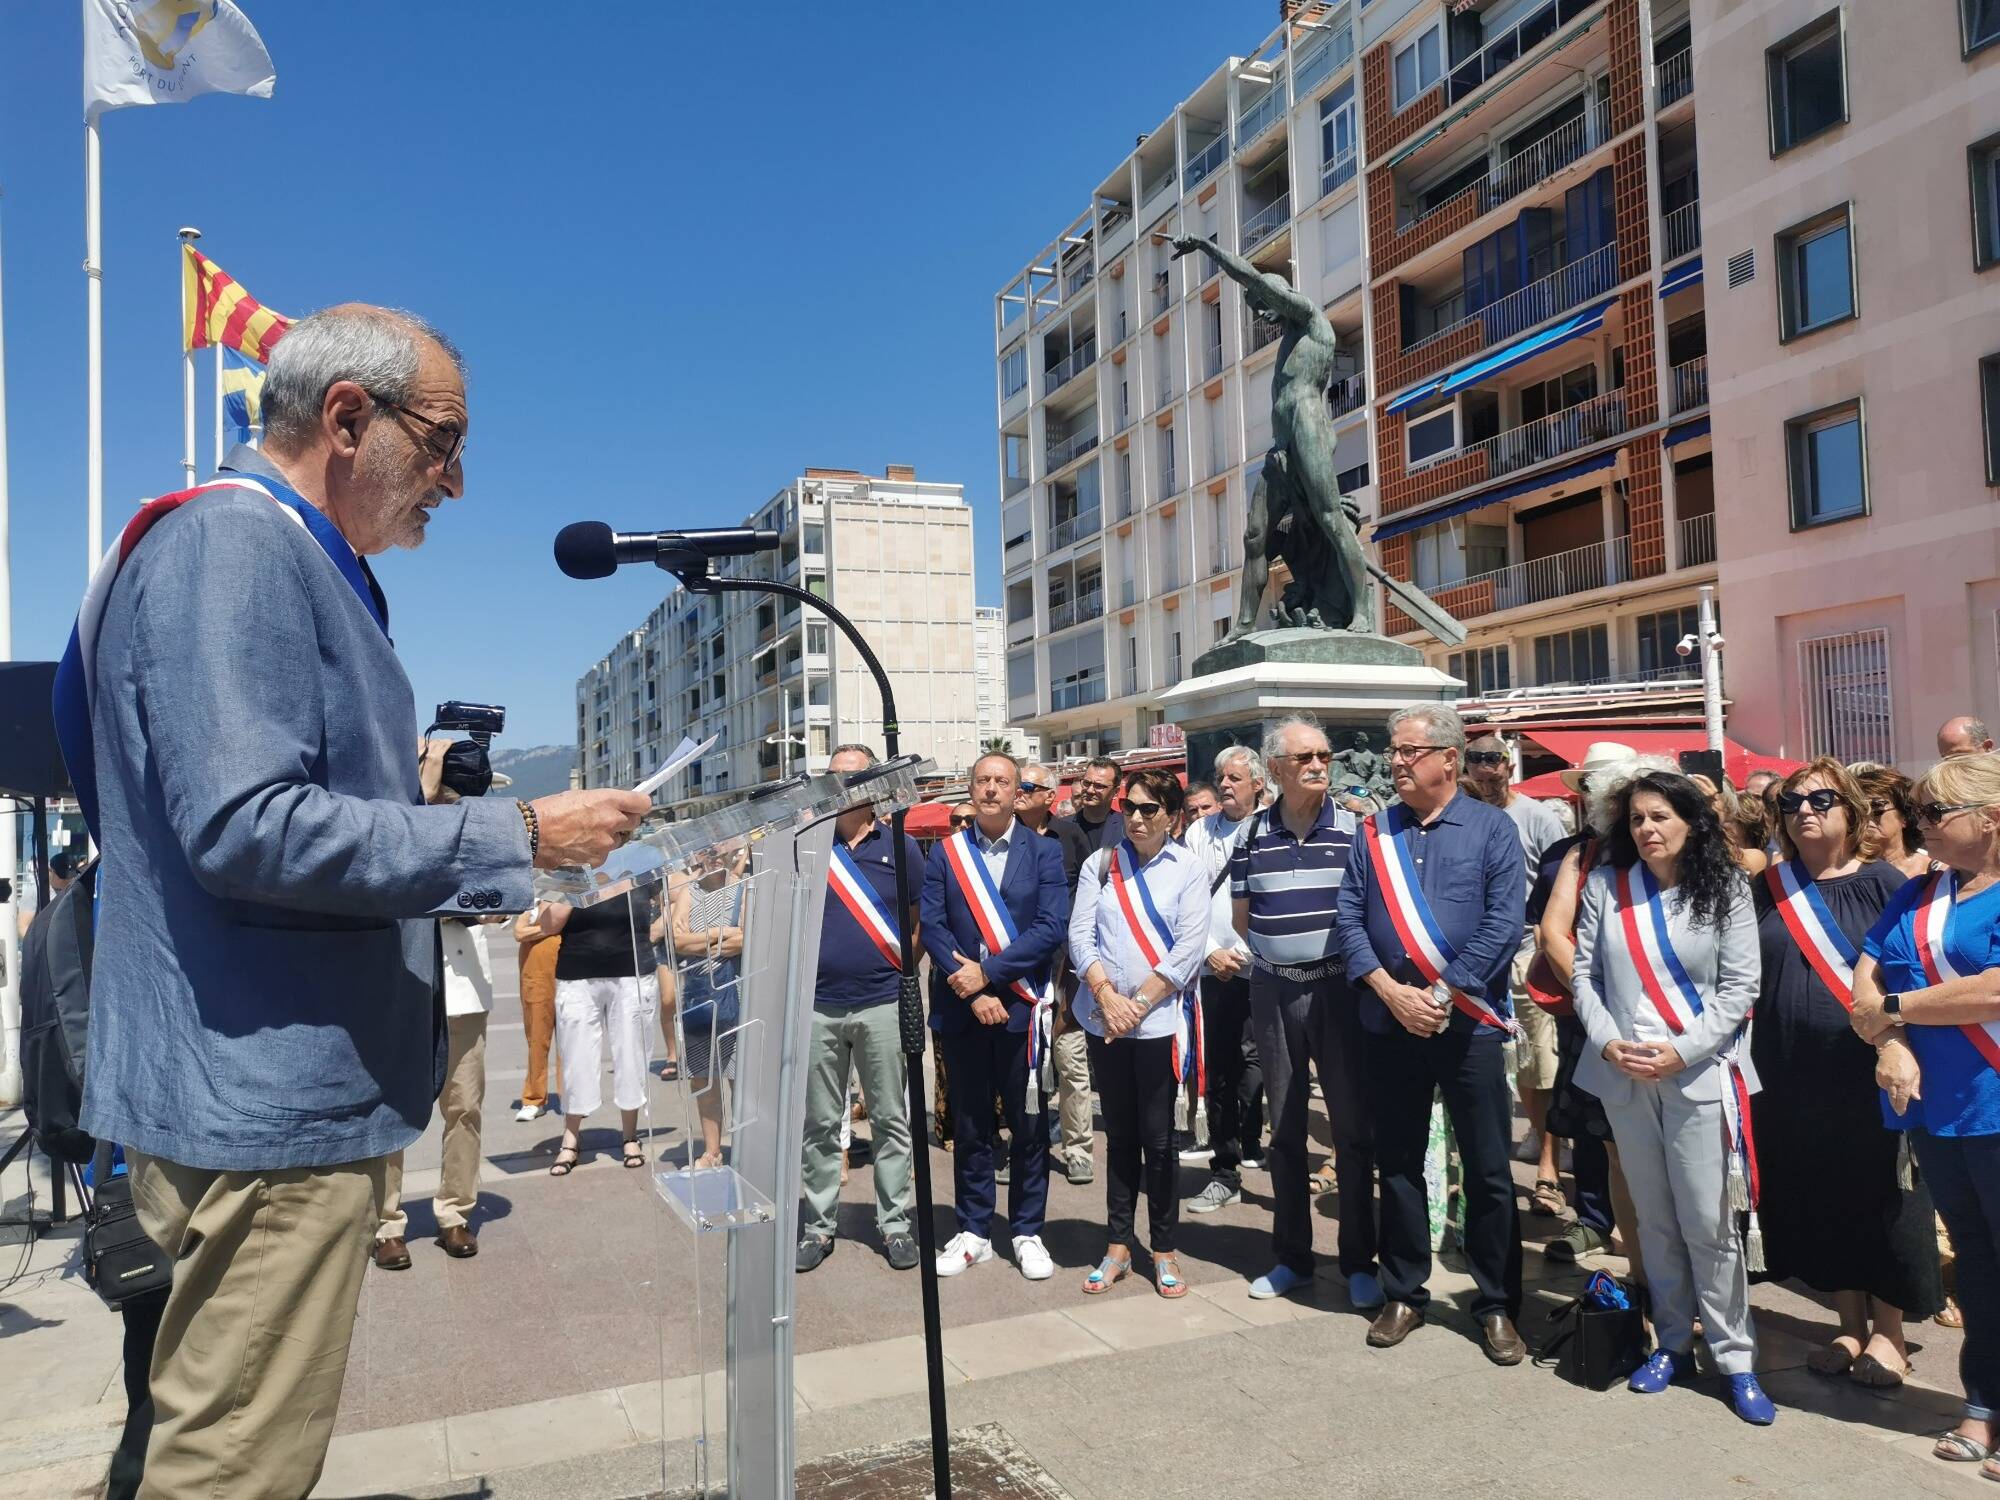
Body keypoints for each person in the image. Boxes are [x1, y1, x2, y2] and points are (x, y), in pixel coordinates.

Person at [62, 304, 647, 1495]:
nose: (456, 483)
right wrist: (519, 832)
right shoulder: (237, 547)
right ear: (345, 416)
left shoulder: (255, 551)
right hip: (263, 1116)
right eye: (441, 443)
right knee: (233, 1467)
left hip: (250, 1099)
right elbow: (245, 825)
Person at [1571, 770, 1776, 1424]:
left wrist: (1680, 1050)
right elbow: (1585, 978)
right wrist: (1608, 1045)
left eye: (1659, 816)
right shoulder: (1606, 886)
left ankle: (1735, 1357)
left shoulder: (1725, 891)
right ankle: (1670, 1342)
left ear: (1691, 820)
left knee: (1710, 1224)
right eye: (1636, 820)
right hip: (1626, 1075)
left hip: (1699, 1074)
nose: (1647, 830)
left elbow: (1741, 987)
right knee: (1654, 1221)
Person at [1336, 703, 1527, 1364]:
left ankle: (1497, 1302)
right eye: (1394, 750)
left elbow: (1504, 925)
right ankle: (1405, 1293)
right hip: (1388, 1024)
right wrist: (1391, 993)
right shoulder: (1374, 833)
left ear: (1449, 757)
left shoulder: (1492, 829)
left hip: (1466, 1024)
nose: (1395, 762)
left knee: (1490, 1170)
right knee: (1399, 1163)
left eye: (1409, 751)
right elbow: (1350, 922)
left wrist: (1441, 994)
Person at [1751, 758, 1940, 1385]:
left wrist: (1899, 1044)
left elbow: (1912, 974)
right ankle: (1849, 1325)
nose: (1806, 811)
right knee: (1818, 1191)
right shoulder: (1767, 888)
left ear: (1852, 811)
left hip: (1867, 1068)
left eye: (1822, 800)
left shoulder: (1888, 882)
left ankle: (1891, 1333)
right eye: (1792, 803)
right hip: (1787, 1069)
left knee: (1879, 1194)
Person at [1851, 751, 2000, 1475]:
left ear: (1990, 819)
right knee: (1976, 1265)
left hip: (1997, 1102)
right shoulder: (1917, 894)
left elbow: (1995, 991)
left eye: (1937, 813)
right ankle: (1984, 1404)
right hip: (1941, 1112)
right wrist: (1893, 1040)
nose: (1920, 825)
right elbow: (1866, 978)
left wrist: (1896, 1011)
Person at [1232, 715, 1377, 1304]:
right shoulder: (1250, 835)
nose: (1319, 764)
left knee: (1351, 1130)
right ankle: (1291, 1257)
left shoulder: (1358, 830)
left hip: (1340, 990)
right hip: (1273, 991)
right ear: (1275, 769)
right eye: (1305, 757)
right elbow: (1244, 918)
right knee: (1285, 1128)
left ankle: (1360, 1261)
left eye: (1324, 754)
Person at [923, 751, 1069, 1279]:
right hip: (965, 1011)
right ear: (970, 788)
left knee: (1029, 1125)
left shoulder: (1044, 853)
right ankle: (974, 1230)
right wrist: (972, 990)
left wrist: (990, 976)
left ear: (1017, 792)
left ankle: (1028, 1229)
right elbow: (935, 928)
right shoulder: (946, 854)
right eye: (982, 780)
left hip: (1022, 1009)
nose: (990, 790)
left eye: (1001, 782)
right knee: (971, 1124)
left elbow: (1053, 927)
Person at [1069, 768, 1209, 1297]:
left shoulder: (1188, 869)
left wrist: (1138, 1003)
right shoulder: (1100, 864)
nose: (1137, 816)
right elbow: (1080, 935)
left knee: (1159, 1140)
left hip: (1159, 1024)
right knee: (1120, 1137)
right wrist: (1107, 997)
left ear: (1173, 817)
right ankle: (1118, 1245)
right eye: (1131, 806)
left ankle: (1166, 1247)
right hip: (1105, 1020)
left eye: (1151, 809)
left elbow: (1188, 948)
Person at [797, 745, 922, 1274]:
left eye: (853, 777)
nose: (842, 785)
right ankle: (818, 1227)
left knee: (891, 1120)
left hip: (880, 1003)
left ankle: (894, 1224)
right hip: (818, 1005)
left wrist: (897, 974)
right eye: (834, 777)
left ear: (873, 785)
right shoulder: (805, 845)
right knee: (821, 1123)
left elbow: (917, 923)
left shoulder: (901, 845)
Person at [1534, 744, 1645, 1272]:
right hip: (1588, 1012)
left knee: (1637, 1139)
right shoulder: (1567, 854)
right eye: (1592, 788)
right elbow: (1550, 932)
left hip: (1655, 1017)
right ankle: (1596, 1221)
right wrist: (1595, 997)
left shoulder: (1666, 848)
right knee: (1593, 1129)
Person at [1463, 733, 1567, 1219]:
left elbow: (1556, 885)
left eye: (1493, 761)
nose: (1485, 770)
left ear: (1509, 765)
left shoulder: (1539, 817)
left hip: (1526, 950)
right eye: (1476, 761)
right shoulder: (1462, 816)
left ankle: (1548, 1168)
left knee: (1538, 1062)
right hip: (1475, 959)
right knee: (1492, 1064)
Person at [373, 912, 503, 1268]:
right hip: (399, 979)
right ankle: (385, 1224)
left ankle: (455, 1215)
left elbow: (500, 891)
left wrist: (494, 907)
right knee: (391, 1108)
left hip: (464, 985)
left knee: (465, 1106)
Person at [1183, 745, 1270, 1212]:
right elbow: (1186, 900)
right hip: (1216, 972)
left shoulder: (1273, 829)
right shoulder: (1200, 832)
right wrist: (1211, 952)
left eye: (1235, 778)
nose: (1225, 785)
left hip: (1269, 969)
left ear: (1258, 783)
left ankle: (1272, 1152)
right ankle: (1224, 1168)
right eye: (1221, 777)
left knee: (1272, 1068)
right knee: (1219, 1072)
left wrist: (1241, 950)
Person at [540, 890, 660, 1176]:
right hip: (577, 970)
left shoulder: (639, 858)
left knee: (632, 1056)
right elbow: (548, 924)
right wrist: (575, 885)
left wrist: (650, 934)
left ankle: (630, 1136)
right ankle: (570, 1138)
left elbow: (675, 894)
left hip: (632, 971)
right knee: (575, 1059)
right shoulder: (565, 867)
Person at [1018, 762, 1098, 1186]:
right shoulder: (1001, 834)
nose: (1019, 790)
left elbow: (1089, 895)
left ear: (1050, 795)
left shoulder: (1070, 836)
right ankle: (1025, 1149)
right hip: (1017, 968)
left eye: (1028, 785)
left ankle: (1079, 1149)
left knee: (1070, 1063)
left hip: (1063, 969)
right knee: (1023, 1065)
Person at [672, 848, 749, 1167]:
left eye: (722, 849)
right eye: (709, 851)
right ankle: (712, 1151)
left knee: (739, 1074)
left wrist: (697, 940)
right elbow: (676, 943)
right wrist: (721, 935)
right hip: (698, 994)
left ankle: (746, 1148)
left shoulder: (745, 887)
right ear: (697, 856)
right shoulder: (689, 893)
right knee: (703, 1075)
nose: (716, 856)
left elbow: (744, 940)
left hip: (736, 991)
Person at [513, 911, 562, 1118]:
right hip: (536, 973)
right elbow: (519, 932)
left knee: (571, 1037)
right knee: (537, 1036)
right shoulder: (532, 900)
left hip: (569, 967)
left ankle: (571, 1095)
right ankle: (534, 1097)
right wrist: (550, 929)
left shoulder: (570, 893)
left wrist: (535, 931)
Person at [1856, 765, 1936, 880]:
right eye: (1859, 809)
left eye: (1876, 807)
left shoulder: (1935, 869)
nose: (1866, 815)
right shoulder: (1848, 874)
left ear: (1904, 817)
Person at [1057, 756, 1127, 853]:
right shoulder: (1062, 827)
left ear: (1116, 792)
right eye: (1086, 783)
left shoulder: (1126, 827)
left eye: (1099, 786)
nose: (1090, 790)